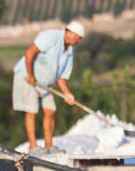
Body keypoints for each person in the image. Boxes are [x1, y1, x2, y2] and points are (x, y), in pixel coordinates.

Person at [12, 21, 85, 156]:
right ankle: (33, 147)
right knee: (32, 110)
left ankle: (48, 146)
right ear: (71, 33)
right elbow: (30, 52)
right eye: (79, 37)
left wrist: (67, 93)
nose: (79, 41)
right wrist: (30, 75)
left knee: (50, 111)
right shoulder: (51, 36)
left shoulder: (69, 52)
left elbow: (61, 77)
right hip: (28, 78)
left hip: (46, 85)